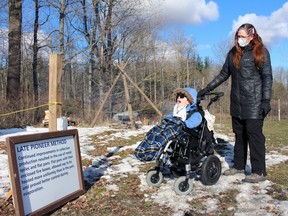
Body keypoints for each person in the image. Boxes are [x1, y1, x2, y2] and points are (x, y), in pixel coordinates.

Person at [198, 23, 273, 183]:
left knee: (254, 136)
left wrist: (266, 100)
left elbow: (267, 77)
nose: (239, 39)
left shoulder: (260, 52)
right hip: (236, 102)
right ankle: (239, 166)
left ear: (251, 36)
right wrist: (206, 89)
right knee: (239, 136)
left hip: (254, 103)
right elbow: (223, 74)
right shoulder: (233, 54)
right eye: (237, 36)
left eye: (242, 36)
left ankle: (259, 172)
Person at [134, 88, 202, 163]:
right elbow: (170, 117)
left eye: (182, 96)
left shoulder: (195, 114)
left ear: (189, 101)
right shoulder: (176, 111)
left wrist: (183, 123)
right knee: (153, 132)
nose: (179, 98)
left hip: (182, 131)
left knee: (165, 135)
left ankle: (153, 152)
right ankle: (142, 150)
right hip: (169, 125)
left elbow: (194, 122)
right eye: (178, 96)